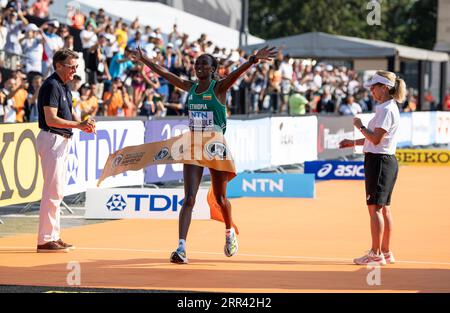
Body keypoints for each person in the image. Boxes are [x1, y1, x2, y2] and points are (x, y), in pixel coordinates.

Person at [130, 45, 277, 264]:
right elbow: (166, 74)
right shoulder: (190, 87)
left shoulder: (219, 88)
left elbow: (236, 74)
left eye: (204, 65)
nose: (199, 67)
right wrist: (145, 60)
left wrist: (253, 60)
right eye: (197, 64)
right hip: (194, 143)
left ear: (213, 69)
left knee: (220, 198)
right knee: (188, 198)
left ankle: (229, 232)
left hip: (215, 144)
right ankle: (181, 247)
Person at [339, 70, 406, 266]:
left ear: (384, 88)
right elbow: (375, 137)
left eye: (374, 86)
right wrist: (353, 142)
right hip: (384, 160)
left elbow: (375, 139)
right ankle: (384, 252)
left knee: (375, 209)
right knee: (384, 209)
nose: (371, 90)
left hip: (379, 162)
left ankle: (376, 253)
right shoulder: (387, 107)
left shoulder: (386, 110)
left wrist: (359, 125)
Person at [36, 48, 96, 253]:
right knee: (52, 191)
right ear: (59, 65)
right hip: (52, 138)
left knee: (57, 191)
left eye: (76, 66)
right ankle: (45, 239)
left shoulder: (63, 86)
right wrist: (79, 125)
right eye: (71, 66)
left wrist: (82, 124)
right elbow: (51, 118)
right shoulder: (52, 85)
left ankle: (53, 235)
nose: (74, 70)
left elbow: (64, 117)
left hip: (59, 139)